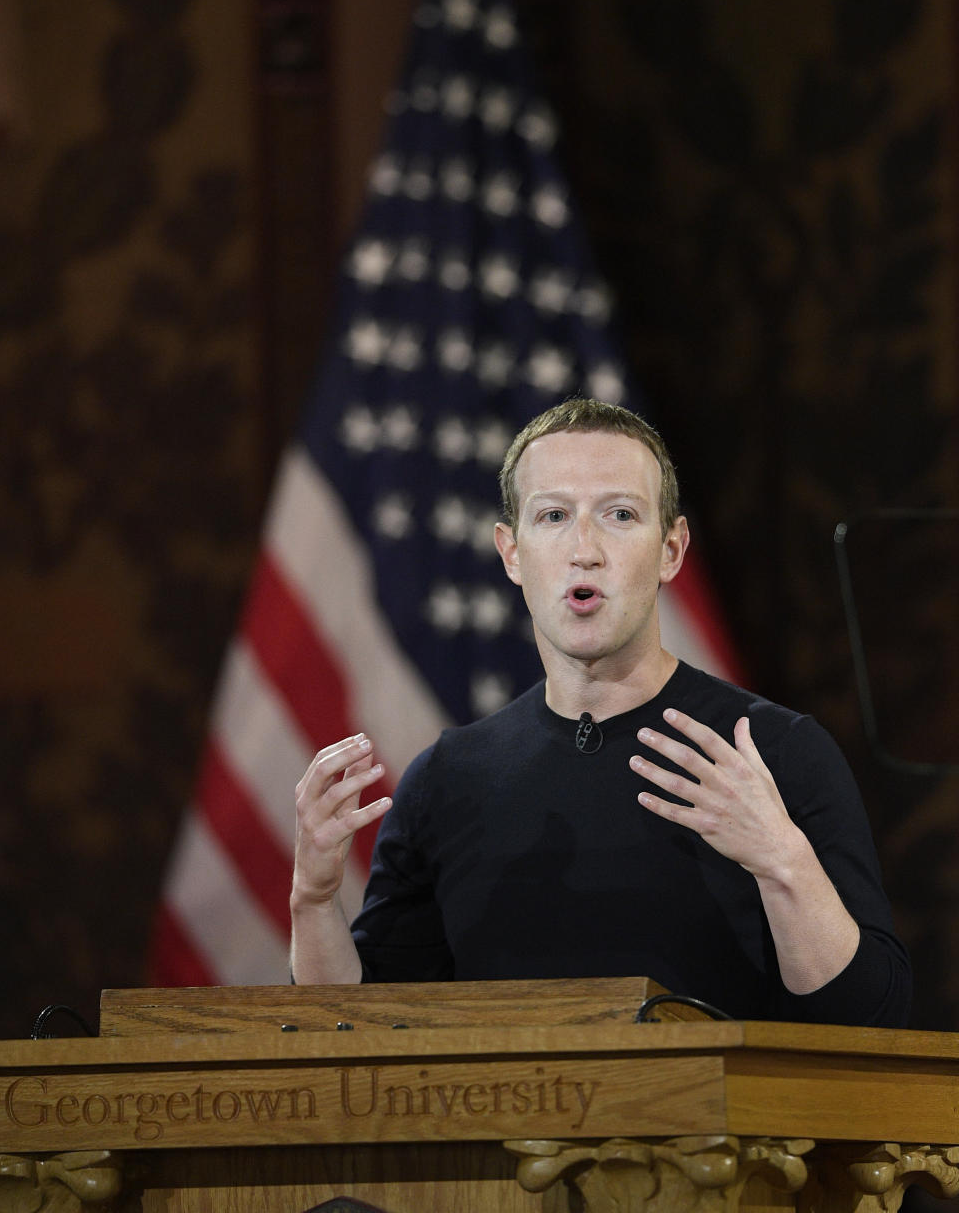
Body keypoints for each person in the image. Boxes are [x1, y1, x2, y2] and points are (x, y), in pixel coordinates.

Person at [290, 398, 911, 1025]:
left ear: (671, 549)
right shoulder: (445, 781)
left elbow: (871, 1020)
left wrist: (782, 859)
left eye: (619, 514)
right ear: (511, 553)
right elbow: (357, 1031)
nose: (584, 549)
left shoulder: (773, 753)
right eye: (554, 515)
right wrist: (313, 901)